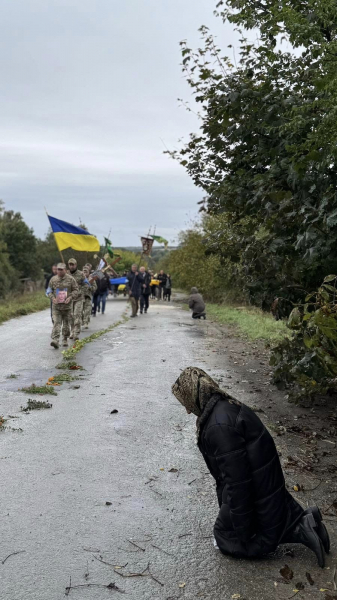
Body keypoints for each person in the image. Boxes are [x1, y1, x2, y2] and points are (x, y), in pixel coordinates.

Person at [172, 367, 330, 567]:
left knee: (227, 538)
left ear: (194, 395)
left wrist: (243, 529)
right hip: (267, 483)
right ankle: (305, 520)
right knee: (243, 526)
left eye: (185, 402)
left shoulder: (217, 427)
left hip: (259, 490)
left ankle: (301, 529)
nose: (187, 410)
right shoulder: (223, 404)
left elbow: (238, 482)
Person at [47, 263, 79, 349]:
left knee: (66, 324)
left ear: (65, 270)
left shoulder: (71, 279)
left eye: (61, 269)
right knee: (57, 322)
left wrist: (70, 297)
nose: (59, 271)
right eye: (58, 269)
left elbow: (76, 290)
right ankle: (56, 340)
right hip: (56, 307)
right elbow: (49, 291)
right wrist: (52, 298)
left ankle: (65, 339)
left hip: (67, 307)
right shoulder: (53, 279)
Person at [68, 258, 89, 341]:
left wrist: (80, 292)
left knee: (77, 315)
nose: (71, 266)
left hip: (79, 298)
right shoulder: (66, 274)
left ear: (76, 265)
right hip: (69, 299)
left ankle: (76, 332)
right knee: (70, 316)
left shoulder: (81, 274)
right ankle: (72, 331)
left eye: (73, 264)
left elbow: (86, 284)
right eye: (70, 264)